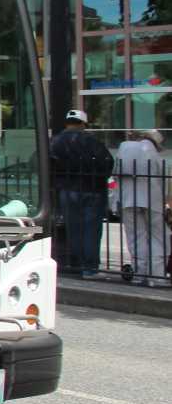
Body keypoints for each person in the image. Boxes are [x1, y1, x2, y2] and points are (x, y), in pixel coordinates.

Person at [49, 109, 114, 278]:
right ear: (83, 124)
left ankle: (79, 265)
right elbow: (107, 162)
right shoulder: (91, 141)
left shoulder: (55, 142)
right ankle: (90, 267)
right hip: (92, 189)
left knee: (74, 229)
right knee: (91, 230)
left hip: (67, 190)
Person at [114, 128, 169, 287]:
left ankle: (139, 274)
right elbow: (162, 180)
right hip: (152, 201)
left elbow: (116, 176)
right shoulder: (153, 154)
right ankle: (157, 277)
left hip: (128, 200)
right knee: (158, 238)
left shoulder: (125, 150)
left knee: (135, 238)